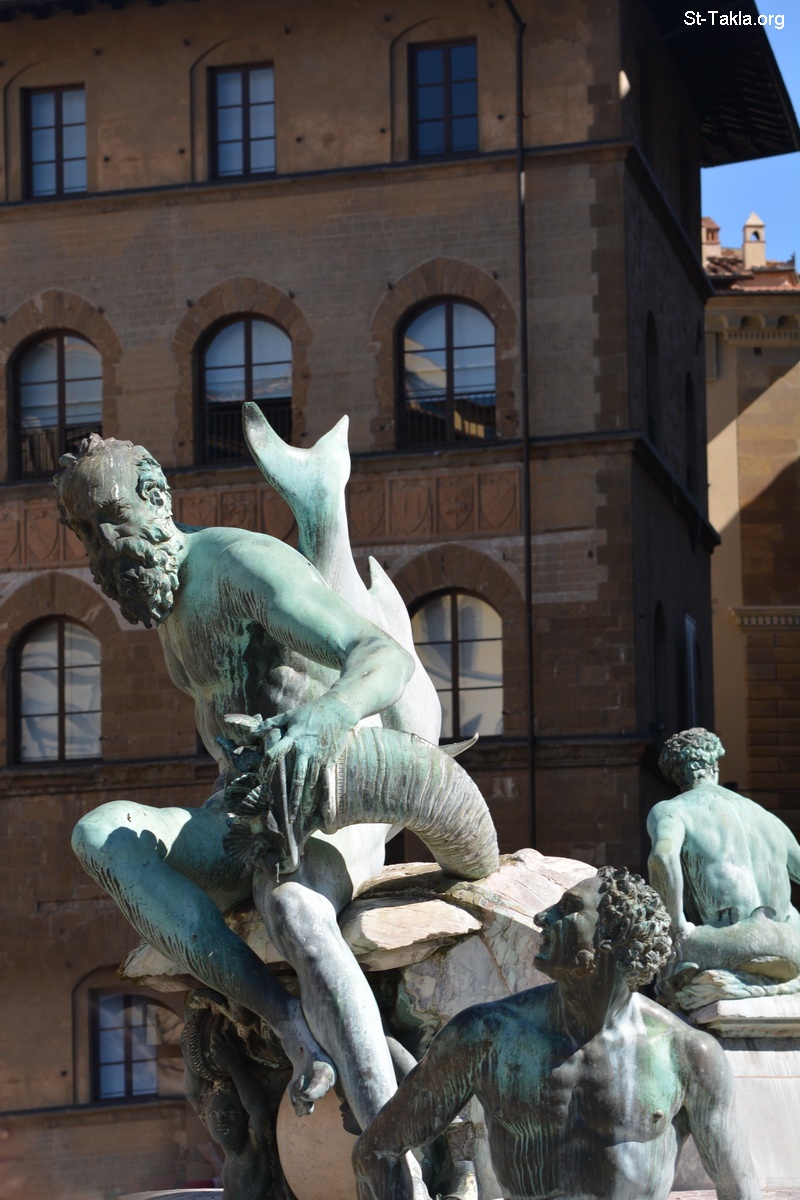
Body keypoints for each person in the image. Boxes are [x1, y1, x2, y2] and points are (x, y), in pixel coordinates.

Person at [54, 428, 496, 1200]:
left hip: (331, 798)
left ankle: (392, 1164)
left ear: (157, 498)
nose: (101, 548)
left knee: (291, 904)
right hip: (245, 810)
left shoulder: (237, 562)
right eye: (84, 532)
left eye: (110, 519)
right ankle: (290, 1024)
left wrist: (327, 719)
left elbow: (380, 656)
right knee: (99, 833)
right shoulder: (164, 596)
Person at [353, 867, 760, 1200]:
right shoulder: (486, 1035)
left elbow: (737, 1187)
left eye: (568, 909)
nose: (541, 917)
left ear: (611, 939)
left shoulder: (686, 1053)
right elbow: (376, 1150)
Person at [648, 727, 800, 988]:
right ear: (714, 766)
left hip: (735, 943)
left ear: (675, 776)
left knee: (659, 960)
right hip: (792, 943)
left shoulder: (672, 810)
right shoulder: (767, 817)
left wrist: (677, 928)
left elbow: (662, 857)